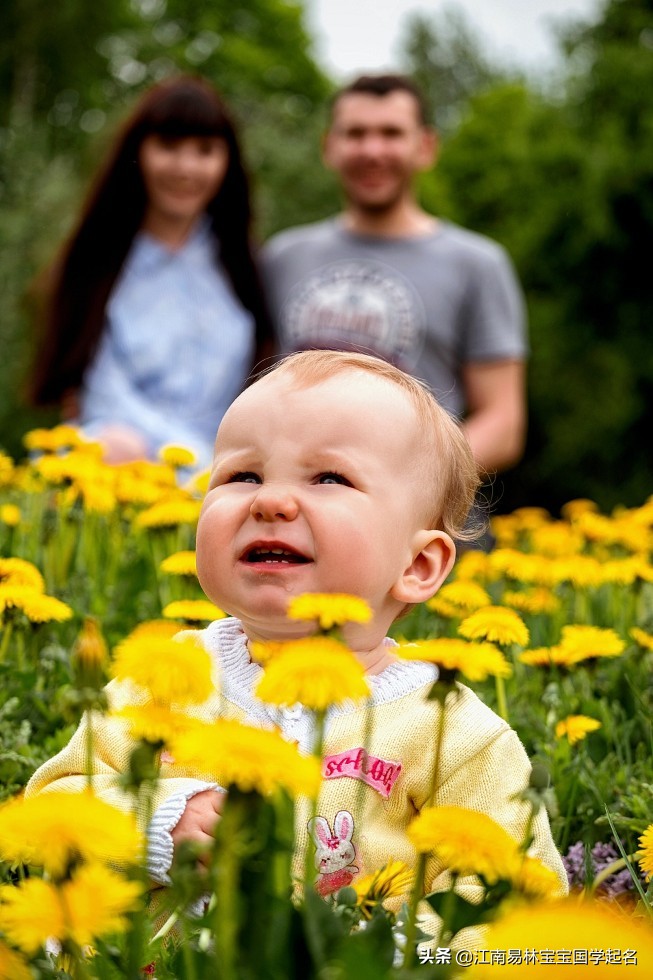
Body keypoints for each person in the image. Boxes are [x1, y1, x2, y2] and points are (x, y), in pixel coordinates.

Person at [26, 350, 567, 935]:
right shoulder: (166, 673)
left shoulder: (454, 734)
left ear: (417, 565)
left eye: (329, 479)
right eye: (243, 476)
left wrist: (391, 957)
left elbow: (517, 901)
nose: (270, 501)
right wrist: (157, 822)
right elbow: (52, 806)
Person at [263, 74, 527, 479]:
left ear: (426, 147)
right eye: (356, 134)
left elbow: (503, 423)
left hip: (421, 509)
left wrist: (406, 484)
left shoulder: (477, 263)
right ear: (329, 147)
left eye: (391, 133)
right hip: (292, 500)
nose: (372, 150)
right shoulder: (282, 257)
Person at [29, 75, 275, 469]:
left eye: (205, 150)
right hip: (128, 465)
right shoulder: (96, 265)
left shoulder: (246, 268)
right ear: (138, 152)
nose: (185, 167)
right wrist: (199, 465)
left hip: (225, 470)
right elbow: (103, 398)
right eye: (169, 146)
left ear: (227, 161)